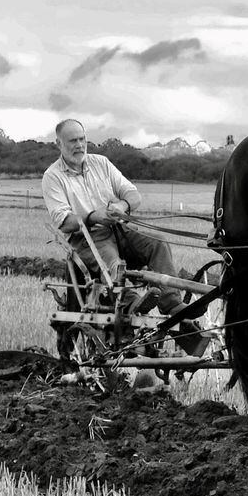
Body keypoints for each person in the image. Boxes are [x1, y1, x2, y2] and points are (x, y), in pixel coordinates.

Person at [41, 118, 207, 355]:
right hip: (87, 236)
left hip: (120, 229)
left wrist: (122, 204)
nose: (79, 145)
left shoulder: (102, 164)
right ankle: (131, 302)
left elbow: (133, 194)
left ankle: (171, 302)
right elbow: (63, 221)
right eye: (72, 141)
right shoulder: (53, 177)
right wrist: (94, 216)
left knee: (158, 243)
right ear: (59, 144)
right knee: (112, 263)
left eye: (82, 139)